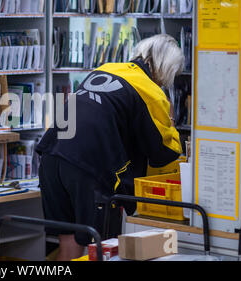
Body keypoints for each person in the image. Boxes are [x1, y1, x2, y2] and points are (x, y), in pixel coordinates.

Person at [36, 34, 184, 261]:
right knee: (102, 249)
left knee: (69, 241)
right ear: (167, 68)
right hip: (88, 169)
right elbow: (163, 153)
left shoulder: (106, 68)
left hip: (51, 156)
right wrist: (171, 123)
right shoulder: (151, 92)